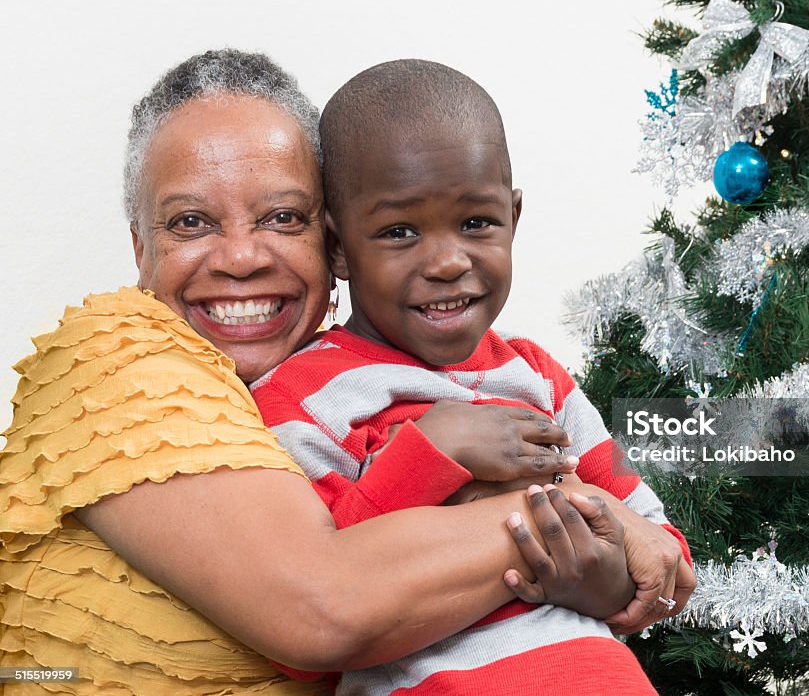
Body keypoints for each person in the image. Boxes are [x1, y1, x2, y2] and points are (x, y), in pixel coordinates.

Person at [0, 49, 689, 694]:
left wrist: (606, 567)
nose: (241, 258)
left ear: (327, 244)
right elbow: (324, 605)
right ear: (139, 248)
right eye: (190, 221)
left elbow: (659, 558)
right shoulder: (116, 358)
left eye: (280, 216)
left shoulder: (511, 367)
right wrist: (588, 518)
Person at [251, 59, 695, 695]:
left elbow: (662, 556)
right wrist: (434, 452)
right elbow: (327, 593)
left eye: (476, 222)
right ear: (339, 245)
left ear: (514, 216)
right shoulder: (304, 396)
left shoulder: (536, 375)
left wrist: (588, 576)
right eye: (399, 231)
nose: (447, 261)